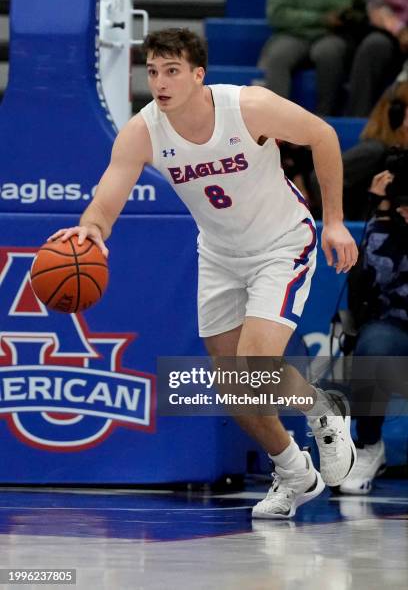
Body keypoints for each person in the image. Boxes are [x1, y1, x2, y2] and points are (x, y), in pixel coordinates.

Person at [48, 28, 358, 519]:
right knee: (232, 386)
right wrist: (91, 230)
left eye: (171, 71)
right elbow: (109, 194)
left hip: (280, 243)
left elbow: (323, 135)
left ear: (198, 75)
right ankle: (294, 472)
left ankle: (322, 408)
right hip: (219, 254)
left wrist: (335, 221)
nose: (160, 82)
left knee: (253, 370)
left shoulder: (248, 106)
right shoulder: (144, 129)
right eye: (152, 71)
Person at [338, 170, 408, 494]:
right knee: (375, 344)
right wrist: (379, 213)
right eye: (401, 204)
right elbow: (369, 285)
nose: (405, 211)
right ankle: (369, 445)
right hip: (394, 325)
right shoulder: (385, 229)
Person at [258, 0, 366, 115]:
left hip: (333, 35)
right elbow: (277, 14)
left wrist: (348, 17)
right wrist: (322, 19)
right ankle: (275, 118)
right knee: (278, 55)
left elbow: (361, 11)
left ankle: (325, 118)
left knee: (328, 52)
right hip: (293, 34)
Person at [309, 79, 408, 219]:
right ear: (397, 114)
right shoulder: (373, 150)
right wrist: (339, 222)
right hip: (365, 232)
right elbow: (320, 177)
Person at [346, 0, 408, 116]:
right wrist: (400, 30)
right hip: (392, 33)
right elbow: (376, 9)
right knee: (372, 46)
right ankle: (358, 117)